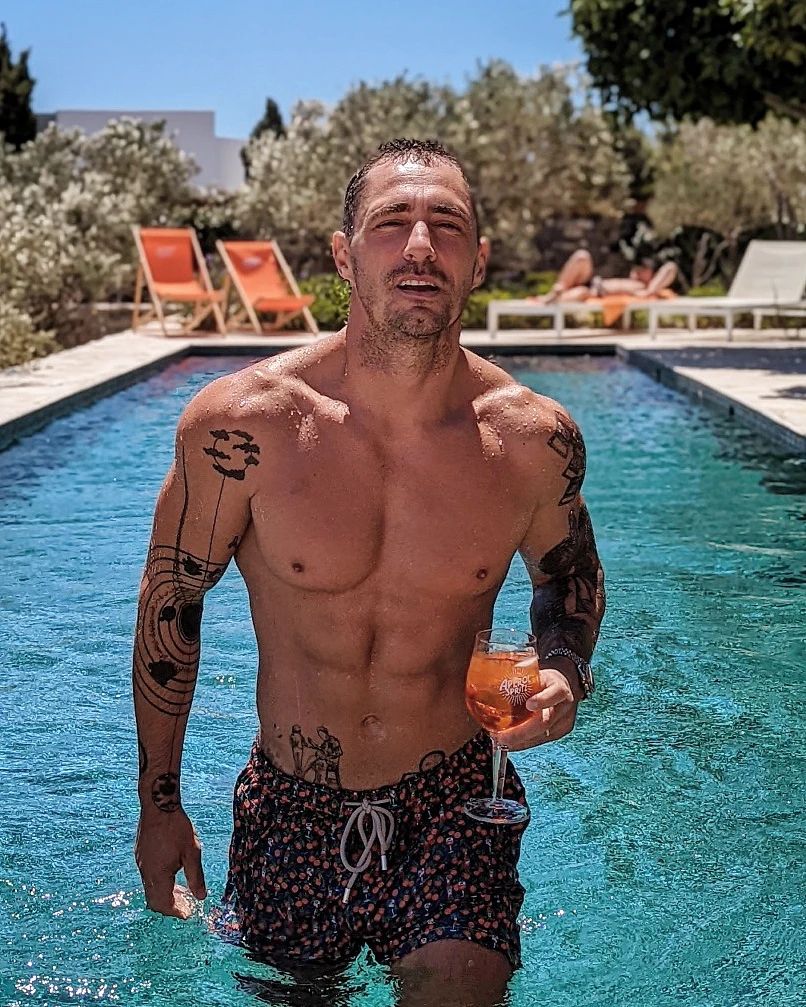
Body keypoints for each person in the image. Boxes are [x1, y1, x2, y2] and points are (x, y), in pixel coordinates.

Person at [133, 138, 605, 1006]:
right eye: (392, 223)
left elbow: (569, 574)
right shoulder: (245, 426)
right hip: (291, 803)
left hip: (459, 799)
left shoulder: (531, 439)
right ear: (344, 256)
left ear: (477, 261)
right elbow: (172, 605)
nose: (421, 246)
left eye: (447, 225)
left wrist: (565, 669)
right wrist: (158, 804)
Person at [540, 248, 677, 303]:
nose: (637, 271)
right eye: (636, 268)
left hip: (591, 292)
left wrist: (650, 290)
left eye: (643, 269)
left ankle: (555, 297)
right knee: (582, 256)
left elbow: (671, 268)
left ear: (652, 274)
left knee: (580, 292)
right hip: (592, 282)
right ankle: (557, 289)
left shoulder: (645, 290)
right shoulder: (629, 279)